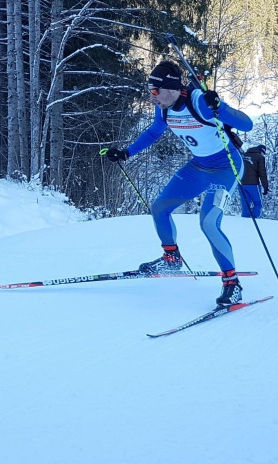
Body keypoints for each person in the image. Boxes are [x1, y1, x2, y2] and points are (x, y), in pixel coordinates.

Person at [105, 60, 253, 307]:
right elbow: (154, 132)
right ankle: (171, 258)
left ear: (172, 88)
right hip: (199, 167)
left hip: (226, 167)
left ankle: (232, 284)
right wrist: (126, 153)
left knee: (208, 222)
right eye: (149, 91)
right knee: (160, 208)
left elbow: (246, 124)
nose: (152, 97)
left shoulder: (199, 103)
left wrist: (220, 108)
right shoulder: (164, 107)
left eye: (155, 91)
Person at [240, 145, 269, 218]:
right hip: (253, 184)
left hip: (241, 184)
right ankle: (254, 220)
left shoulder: (243, 155)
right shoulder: (260, 157)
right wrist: (265, 187)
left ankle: (244, 221)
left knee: (246, 204)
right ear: (262, 151)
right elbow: (262, 173)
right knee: (258, 204)